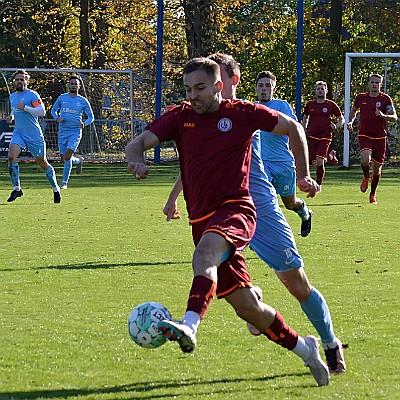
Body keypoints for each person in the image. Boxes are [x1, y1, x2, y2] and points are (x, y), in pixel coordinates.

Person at [126, 57, 330, 386]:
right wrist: (136, 160)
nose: (194, 95)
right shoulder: (180, 117)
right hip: (202, 221)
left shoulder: (241, 113)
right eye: (188, 89)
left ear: (219, 85)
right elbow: (136, 143)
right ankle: (307, 351)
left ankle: (190, 325)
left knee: (204, 254)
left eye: (201, 88)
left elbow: (293, 127)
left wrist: (304, 174)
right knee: (250, 309)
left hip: (237, 209)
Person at [256, 71, 312, 237]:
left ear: (273, 88)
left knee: (290, 203)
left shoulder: (281, 106)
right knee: (264, 199)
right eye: (260, 85)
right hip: (262, 163)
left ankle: (305, 213)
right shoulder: (251, 108)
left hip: (283, 164)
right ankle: (261, 235)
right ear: (256, 88)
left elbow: (295, 130)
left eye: (268, 85)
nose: (264, 89)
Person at [5, 70, 61, 203]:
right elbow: (15, 109)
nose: (19, 82)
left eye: (22, 79)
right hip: (19, 133)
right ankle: (17, 188)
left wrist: (26, 108)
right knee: (11, 156)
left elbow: (42, 111)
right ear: (14, 81)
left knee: (42, 163)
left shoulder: (32, 95)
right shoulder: (12, 96)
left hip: (34, 135)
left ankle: (55, 188)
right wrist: (11, 116)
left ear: (27, 82)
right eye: (17, 79)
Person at [347, 73, 397, 204]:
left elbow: (394, 117)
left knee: (377, 169)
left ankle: (373, 193)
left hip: (380, 137)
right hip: (364, 134)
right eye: (372, 82)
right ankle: (365, 177)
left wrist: (382, 115)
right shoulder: (361, 98)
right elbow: (353, 111)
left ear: (381, 84)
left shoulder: (386, 99)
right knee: (365, 159)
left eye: (377, 82)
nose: (374, 84)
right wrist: (350, 121)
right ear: (369, 84)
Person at [51, 74, 94, 189]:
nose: (73, 85)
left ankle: (64, 183)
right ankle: (79, 160)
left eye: (76, 84)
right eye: (71, 83)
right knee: (64, 158)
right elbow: (53, 111)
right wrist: (57, 117)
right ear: (68, 85)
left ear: (79, 86)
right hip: (62, 131)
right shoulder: (62, 98)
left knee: (68, 156)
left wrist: (84, 123)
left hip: (75, 132)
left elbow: (91, 117)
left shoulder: (83, 101)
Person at [302, 81, 344, 187]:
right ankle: (330, 157)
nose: (320, 90)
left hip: (325, 136)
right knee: (315, 162)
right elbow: (305, 116)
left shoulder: (331, 105)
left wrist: (336, 125)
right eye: (318, 89)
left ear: (326, 90)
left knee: (320, 161)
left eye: (322, 89)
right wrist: (304, 127)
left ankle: (318, 185)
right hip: (312, 135)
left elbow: (341, 119)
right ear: (315, 91)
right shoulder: (310, 104)